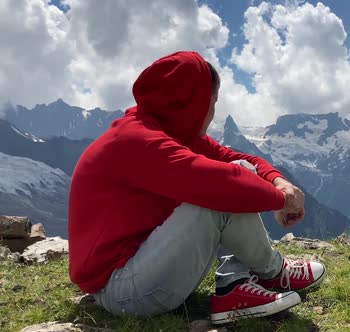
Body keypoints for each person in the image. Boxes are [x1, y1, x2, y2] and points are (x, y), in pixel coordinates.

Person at [68, 51, 326, 324]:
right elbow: (223, 184)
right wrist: (280, 200)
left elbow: (239, 161)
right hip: (123, 292)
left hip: (139, 269)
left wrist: (279, 181)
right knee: (218, 195)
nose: (212, 114)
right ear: (197, 103)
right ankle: (273, 272)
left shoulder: (166, 129)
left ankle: (236, 284)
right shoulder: (139, 141)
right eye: (212, 102)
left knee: (239, 170)